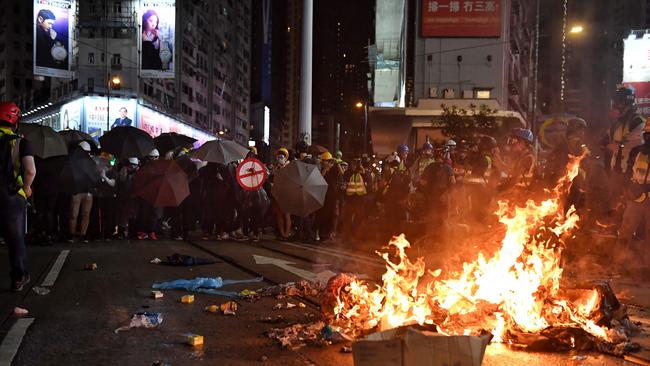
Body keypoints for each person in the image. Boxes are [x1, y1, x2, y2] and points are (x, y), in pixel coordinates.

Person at [0, 102, 36, 291]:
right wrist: (27, 187)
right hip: (12, 195)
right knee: (15, 238)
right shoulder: (21, 142)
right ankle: (19, 277)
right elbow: (30, 170)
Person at [616, 119, 650, 265]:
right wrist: (628, 190)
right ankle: (617, 265)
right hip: (635, 199)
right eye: (647, 135)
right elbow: (627, 172)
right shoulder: (637, 151)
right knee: (625, 233)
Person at [604, 86, 645, 175]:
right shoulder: (618, 122)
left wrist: (618, 144)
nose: (614, 106)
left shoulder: (637, 121)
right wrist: (604, 143)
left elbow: (638, 142)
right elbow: (607, 137)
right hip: (616, 169)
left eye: (617, 103)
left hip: (631, 171)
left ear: (624, 103)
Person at [68, 141, 95, 243]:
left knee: (82, 214)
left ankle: (80, 235)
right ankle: (73, 234)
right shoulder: (74, 161)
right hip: (79, 191)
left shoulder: (88, 162)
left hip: (84, 191)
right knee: (76, 214)